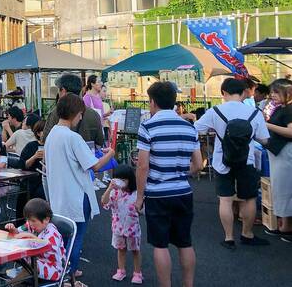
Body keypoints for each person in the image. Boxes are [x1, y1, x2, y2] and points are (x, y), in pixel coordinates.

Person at [135, 81, 202, 287]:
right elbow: (199, 164)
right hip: (183, 191)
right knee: (185, 242)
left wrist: (139, 197)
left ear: (152, 102)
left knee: (160, 245)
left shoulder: (148, 126)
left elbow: (143, 166)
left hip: (157, 193)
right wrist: (182, 173)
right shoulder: (189, 127)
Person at [44, 94, 116, 285]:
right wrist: (110, 154)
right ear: (76, 113)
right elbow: (95, 166)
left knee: (64, 238)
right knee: (76, 238)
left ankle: (66, 272)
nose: (81, 118)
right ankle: (69, 276)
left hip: (58, 195)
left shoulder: (52, 134)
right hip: (77, 194)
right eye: (80, 114)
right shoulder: (72, 137)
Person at [194, 77, 270, 249]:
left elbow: (196, 129)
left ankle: (229, 238)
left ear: (223, 93)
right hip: (247, 160)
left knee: (226, 200)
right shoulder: (254, 113)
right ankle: (247, 234)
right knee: (248, 199)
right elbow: (265, 140)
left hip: (223, 161)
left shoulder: (215, 111)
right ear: (243, 92)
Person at [3, 199, 66, 283]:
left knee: (31, 265)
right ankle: (16, 281)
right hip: (37, 261)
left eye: (33, 221)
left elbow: (45, 246)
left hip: (54, 267)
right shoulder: (31, 225)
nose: (30, 223)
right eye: (28, 220)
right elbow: (18, 233)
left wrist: (29, 236)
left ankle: (12, 284)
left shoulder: (52, 233)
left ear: (46, 220)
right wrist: (12, 229)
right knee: (27, 263)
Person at [101, 165, 142, 284]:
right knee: (121, 249)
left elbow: (142, 209)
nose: (121, 183)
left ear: (130, 179)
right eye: (119, 179)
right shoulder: (114, 193)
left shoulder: (136, 193)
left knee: (135, 250)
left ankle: (137, 273)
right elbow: (104, 202)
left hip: (133, 228)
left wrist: (140, 208)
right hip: (118, 228)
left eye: (124, 180)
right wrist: (109, 188)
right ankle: (121, 270)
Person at [42, 73, 105, 147]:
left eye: (59, 90)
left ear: (63, 90)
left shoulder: (56, 113)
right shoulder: (94, 114)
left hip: (64, 157)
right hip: (87, 156)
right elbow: (100, 142)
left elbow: (46, 140)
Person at [264, 78, 292, 241]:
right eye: (271, 92)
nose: (272, 95)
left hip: (285, 152)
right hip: (279, 153)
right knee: (282, 189)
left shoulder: (289, 109)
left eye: (275, 92)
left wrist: (268, 125)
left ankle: (287, 227)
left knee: (285, 189)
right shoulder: (283, 108)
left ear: (287, 92)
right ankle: (284, 225)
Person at [20, 120, 47, 199]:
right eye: (44, 131)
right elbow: (23, 165)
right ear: (38, 133)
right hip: (32, 179)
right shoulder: (31, 146)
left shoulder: (52, 145)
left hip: (48, 179)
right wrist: (34, 156)